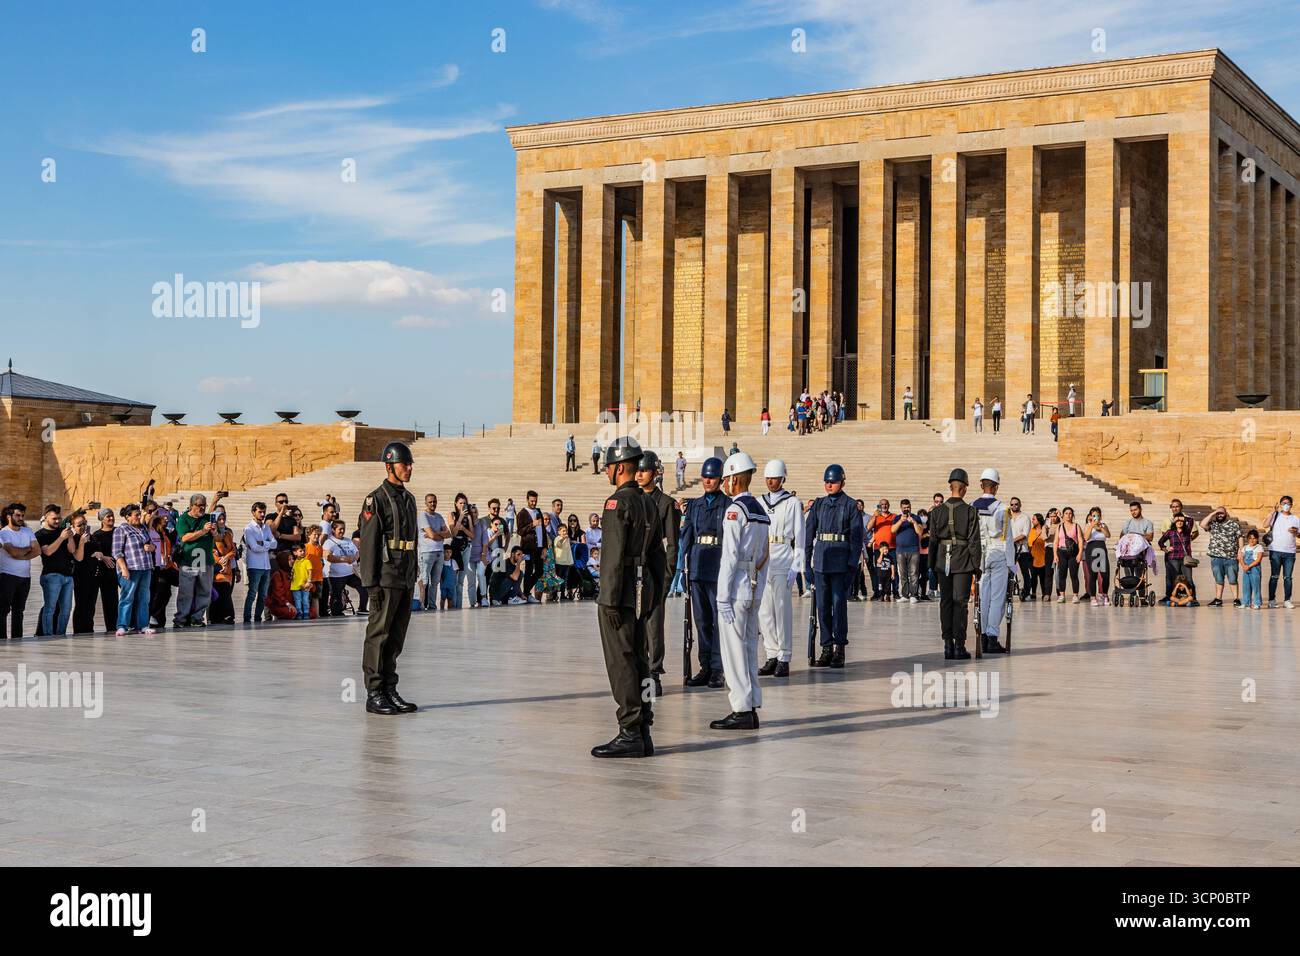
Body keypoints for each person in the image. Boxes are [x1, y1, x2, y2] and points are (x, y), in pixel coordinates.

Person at [591, 436, 658, 759]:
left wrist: (609, 599)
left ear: (619, 468)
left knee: (621, 663)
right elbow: (659, 555)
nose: (606, 473)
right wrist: (654, 596)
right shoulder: (649, 501)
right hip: (643, 592)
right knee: (640, 661)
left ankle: (629, 730)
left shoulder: (616, 503)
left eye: (608, 467)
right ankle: (644, 727)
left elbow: (613, 557)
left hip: (620, 595)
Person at [357, 441, 420, 716]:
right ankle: (374, 692)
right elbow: (369, 543)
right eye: (404, 464)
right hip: (384, 576)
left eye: (409, 464)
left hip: (404, 574)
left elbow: (413, 540)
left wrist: (413, 573)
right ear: (389, 466)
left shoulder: (409, 499)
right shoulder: (376, 499)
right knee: (379, 635)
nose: (408, 468)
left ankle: (389, 688)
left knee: (396, 636)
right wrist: (370, 583)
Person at [709, 452, 770, 730]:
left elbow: (729, 557)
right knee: (748, 648)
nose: (724, 484)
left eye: (726, 479)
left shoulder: (735, 511)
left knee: (733, 651)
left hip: (736, 588)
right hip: (755, 585)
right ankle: (752, 702)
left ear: (735, 479)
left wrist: (723, 596)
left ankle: (741, 708)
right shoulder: (759, 509)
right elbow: (766, 554)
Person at [805, 463, 863, 668]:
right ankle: (826, 647)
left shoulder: (850, 505)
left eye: (834, 482)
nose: (830, 485)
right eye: (827, 482)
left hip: (840, 564)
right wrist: (806, 565)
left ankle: (839, 648)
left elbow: (856, 540)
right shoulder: (819, 505)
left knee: (838, 607)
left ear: (842, 482)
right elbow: (808, 535)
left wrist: (852, 567)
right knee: (822, 607)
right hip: (821, 561)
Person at [680, 456, 730, 688]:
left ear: (720, 479)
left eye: (712, 477)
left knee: (718, 621)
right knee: (701, 621)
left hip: (718, 567)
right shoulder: (695, 506)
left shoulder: (728, 505)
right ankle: (705, 665)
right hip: (698, 566)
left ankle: (718, 668)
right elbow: (687, 537)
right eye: (705, 477)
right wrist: (682, 567)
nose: (707, 481)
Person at [928, 469, 982, 660]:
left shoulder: (936, 512)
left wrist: (931, 563)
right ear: (965, 488)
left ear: (950, 486)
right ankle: (959, 645)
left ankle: (947, 645)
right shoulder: (970, 511)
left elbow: (933, 540)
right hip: (963, 561)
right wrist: (977, 566)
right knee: (960, 603)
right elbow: (974, 541)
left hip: (943, 560)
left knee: (946, 602)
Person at [757, 459, 804, 677]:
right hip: (764, 558)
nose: (770, 482)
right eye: (767, 478)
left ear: (783, 478)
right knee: (764, 611)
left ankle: (784, 656)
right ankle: (771, 653)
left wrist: (797, 564)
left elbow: (800, 536)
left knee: (782, 610)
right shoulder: (759, 502)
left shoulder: (793, 502)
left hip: (783, 555)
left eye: (774, 478)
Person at [635, 451, 676, 697]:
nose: (639, 475)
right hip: (635, 570)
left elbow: (672, 544)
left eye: (644, 470)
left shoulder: (666, 504)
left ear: (655, 473)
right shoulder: (632, 500)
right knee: (636, 623)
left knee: (654, 625)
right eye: (637, 470)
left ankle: (654, 671)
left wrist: (668, 577)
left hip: (656, 569)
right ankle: (640, 668)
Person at [971, 469, 1011, 653]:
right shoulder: (1002, 508)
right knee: (997, 598)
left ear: (981, 485)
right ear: (995, 487)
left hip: (980, 554)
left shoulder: (972, 506)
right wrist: (1011, 562)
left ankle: (984, 637)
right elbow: (1007, 538)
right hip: (998, 552)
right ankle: (992, 637)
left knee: (983, 597)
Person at [36, 504, 81, 637]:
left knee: (66, 609)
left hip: (68, 576)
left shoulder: (62, 530)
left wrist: (70, 536)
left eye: (59, 518)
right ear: (45, 518)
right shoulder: (40, 534)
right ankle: (48, 635)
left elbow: (72, 550)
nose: (57, 521)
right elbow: (48, 551)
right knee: (50, 608)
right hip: (51, 575)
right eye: (54, 518)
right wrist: (61, 538)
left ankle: (61, 634)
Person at [111, 503, 155, 636]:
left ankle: (142, 625)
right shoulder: (121, 530)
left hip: (145, 568)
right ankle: (122, 625)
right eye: (136, 515)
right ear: (127, 517)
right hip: (131, 569)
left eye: (139, 514)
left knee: (144, 598)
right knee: (127, 598)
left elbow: (151, 544)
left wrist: (151, 547)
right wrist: (124, 569)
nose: (138, 517)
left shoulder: (143, 528)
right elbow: (116, 552)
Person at [173, 493, 216, 628]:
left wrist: (214, 532)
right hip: (188, 561)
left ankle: (197, 618)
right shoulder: (183, 519)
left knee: (205, 591)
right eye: (199, 506)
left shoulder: (208, 518)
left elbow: (219, 537)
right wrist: (203, 531)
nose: (202, 508)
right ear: (191, 506)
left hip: (206, 561)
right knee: (186, 592)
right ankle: (180, 618)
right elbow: (184, 537)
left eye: (204, 505)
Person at [0, 503, 40, 639]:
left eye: (22, 515)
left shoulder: (27, 531)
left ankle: (17, 639)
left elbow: (37, 550)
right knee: (3, 610)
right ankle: (2, 639)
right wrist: (28, 549)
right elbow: (13, 552)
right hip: (7, 576)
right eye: (18, 515)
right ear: (9, 516)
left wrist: (22, 554)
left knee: (19, 611)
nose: (21, 518)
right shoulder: (3, 533)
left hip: (25, 577)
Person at [75, 509, 118, 634]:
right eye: (108, 516)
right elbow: (92, 553)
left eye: (112, 516)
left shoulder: (118, 532)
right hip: (98, 573)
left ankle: (113, 627)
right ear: (102, 519)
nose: (111, 518)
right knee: (87, 603)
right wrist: (103, 557)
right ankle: (84, 629)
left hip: (114, 571)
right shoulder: (96, 535)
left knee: (112, 601)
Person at [1201, 505, 1243, 607]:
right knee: (1218, 579)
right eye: (1218, 513)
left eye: (1222, 513)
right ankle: (1218, 599)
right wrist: (1212, 513)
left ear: (1226, 514)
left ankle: (1236, 599)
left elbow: (1240, 537)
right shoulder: (1213, 524)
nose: (1220, 515)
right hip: (1216, 557)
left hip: (1231, 557)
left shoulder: (1234, 524)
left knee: (1233, 579)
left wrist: (1240, 550)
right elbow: (1202, 524)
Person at [1262, 495, 1298, 609]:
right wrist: (1273, 512)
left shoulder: (1296, 519)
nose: (1286, 505)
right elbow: (1265, 525)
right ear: (1281, 504)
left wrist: (1296, 533)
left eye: (1288, 503)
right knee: (1274, 576)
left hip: (1290, 552)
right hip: (1275, 551)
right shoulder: (1276, 515)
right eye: (1284, 503)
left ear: (1291, 505)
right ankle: (1272, 600)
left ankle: (1287, 600)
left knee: (1288, 577)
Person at [242, 502, 276, 623]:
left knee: (263, 595)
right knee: (252, 593)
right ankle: (247, 617)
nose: (262, 514)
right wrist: (267, 544)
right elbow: (254, 547)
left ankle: (257, 617)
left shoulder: (266, 527)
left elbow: (274, 543)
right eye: (260, 512)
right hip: (254, 565)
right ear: (253, 512)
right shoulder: (249, 528)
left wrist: (263, 543)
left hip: (266, 565)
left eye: (263, 512)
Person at [417, 493, 448, 612]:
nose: (433, 504)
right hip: (427, 552)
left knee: (434, 582)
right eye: (430, 502)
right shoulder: (422, 516)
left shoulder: (439, 516)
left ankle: (432, 606)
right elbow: (431, 535)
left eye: (434, 501)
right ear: (426, 503)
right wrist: (436, 534)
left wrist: (435, 534)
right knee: (424, 580)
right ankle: (420, 604)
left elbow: (448, 533)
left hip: (439, 552)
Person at [1157, 514, 1197, 604]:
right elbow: (1160, 541)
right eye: (1177, 521)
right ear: (1174, 522)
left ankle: (1193, 598)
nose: (1179, 522)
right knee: (1174, 579)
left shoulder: (1187, 531)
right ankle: (1172, 597)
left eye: (1181, 521)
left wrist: (1181, 517)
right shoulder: (1170, 532)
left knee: (1189, 579)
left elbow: (1191, 520)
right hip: (1173, 558)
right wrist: (1165, 549)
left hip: (1185, 559)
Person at [209, 511, 238, 625]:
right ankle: (223, 616)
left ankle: (222, 616)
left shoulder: (227, 534)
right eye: (219, 519)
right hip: (217, 567)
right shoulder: (210, 535)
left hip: (227, 566)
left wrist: (227, 556)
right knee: (219, 591)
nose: (222, 521)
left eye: (223, 519)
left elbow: (233, 550)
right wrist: (218, 560)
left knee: (225, 591)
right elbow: (210, 550)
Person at [1082, 506, 1112, 605]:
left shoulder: (1103, 525)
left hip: (1102, 549)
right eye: (1094, 515)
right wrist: (1092, 525)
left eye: (1098, 515)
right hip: (1092, 549)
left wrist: (1100, 527)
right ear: (1090, 516)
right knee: (1093, 574)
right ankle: (1093, 597)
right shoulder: (1088, 525)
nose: (1096, 517)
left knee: (1105, 574)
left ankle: (1104, 595)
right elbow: (1086, 537)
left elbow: (1108, 535)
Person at [1054, 507, 1083, 602]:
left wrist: (1080, 553)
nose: (1068, 515)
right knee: (1062, 575)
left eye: (1070, 513)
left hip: (1073, 553)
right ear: (1063, 515)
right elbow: (1055, 542)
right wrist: (1055, 554)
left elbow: (1080, 540)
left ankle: (1075, 595)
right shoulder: (1059, 526)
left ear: (1073, 515)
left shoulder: (1076, 526)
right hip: (1061, 552)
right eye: (1066, 513)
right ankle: (1062, 595)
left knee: (1074, 575)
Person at [1009, 497, 1032, 598]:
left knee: (1024, 572)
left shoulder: (1025, 517)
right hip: (1009, 549)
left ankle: (1026, 592)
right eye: (1012, 504)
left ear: (1020, 505)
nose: (1014, 506)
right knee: (1009, 572)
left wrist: (1012, 541)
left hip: (1022, 550)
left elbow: (1025, 534)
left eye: (1016, 504)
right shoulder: (1007, 517)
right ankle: (1008, 592)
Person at [1240, 530, 1265, 610]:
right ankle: (1246, 603)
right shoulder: (1245, 547)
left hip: (1254, 568)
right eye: (1250, 538)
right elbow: (1240, 557)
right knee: (1246, 586)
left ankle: (1257, 603)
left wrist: (1249, 566)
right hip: (1246, 568)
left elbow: (1258, 559)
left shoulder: (1259, 547)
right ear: (1247, 539)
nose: (1252, 540)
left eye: (1254, 538)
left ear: (1257, 539)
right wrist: (1243, 565)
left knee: (1256, 586)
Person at [290, 543, 313, 619]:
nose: (303, 552)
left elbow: (310, 571)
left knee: (305, 600)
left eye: (304, 551)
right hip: (295, 585)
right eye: (301, 551)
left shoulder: (307, 561)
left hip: (305, 585)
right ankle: (299, 613)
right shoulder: (295, 562)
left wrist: (309, 581)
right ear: (295, 553)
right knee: (297, 600)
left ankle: (306, 613)